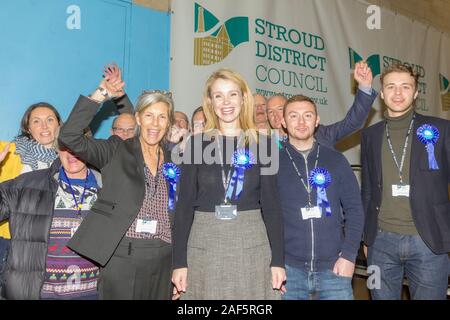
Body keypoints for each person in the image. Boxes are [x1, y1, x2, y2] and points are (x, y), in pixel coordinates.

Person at [171, 68, 285, 300]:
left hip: (251, 243)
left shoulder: (264, 145)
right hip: (205, 243)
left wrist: (278, 261)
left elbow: (273, 207)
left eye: (232, 94)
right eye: (218, 96)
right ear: (210, 103)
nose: (226, 102)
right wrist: (179, 262)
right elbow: (183, 208)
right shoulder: (195, 145)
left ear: (244, 99)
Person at [59, 79, 177, 299]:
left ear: (168, 123)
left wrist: (178, 266)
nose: (155, 123)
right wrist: (101, 94)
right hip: (123, 256)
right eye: (149, 115)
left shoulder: (174, 159)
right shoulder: (115, 150)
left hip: (164, 257)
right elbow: (69, 136)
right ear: (138, 118)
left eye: (162, 117)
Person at [361, 63, 450, 300]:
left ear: (416, 93)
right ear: (381, 93)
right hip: (380, 243)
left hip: (429, 241)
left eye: (405, 87)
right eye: (391, 87)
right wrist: (367, 236)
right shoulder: (370, 135)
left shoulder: (441, 129)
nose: (398, 93)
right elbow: (368, 189)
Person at [278, 95, 364, 300]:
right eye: (293, 116)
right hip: (289, 271)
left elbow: (355, 210)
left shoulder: (336, 160)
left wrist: (349, 256)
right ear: (283, 122)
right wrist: (274, 263)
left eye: (307, 115)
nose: (301, 122)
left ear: (317, 121)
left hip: (335, 268)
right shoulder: (272, 163)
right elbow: (265, 215)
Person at [0, 143, 101, 300]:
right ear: (57, 149)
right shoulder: (27, 184)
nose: (71, 153)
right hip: (40, 294)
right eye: (65, 146)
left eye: (77, 145)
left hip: (94, 294)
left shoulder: (108, 186)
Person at [267, 61, 377, 148]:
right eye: (270, 112)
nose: (275, 115)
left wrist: (364, 86)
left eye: (280, 109)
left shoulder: (321, 134)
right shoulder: (264, 145)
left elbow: (353, 122)